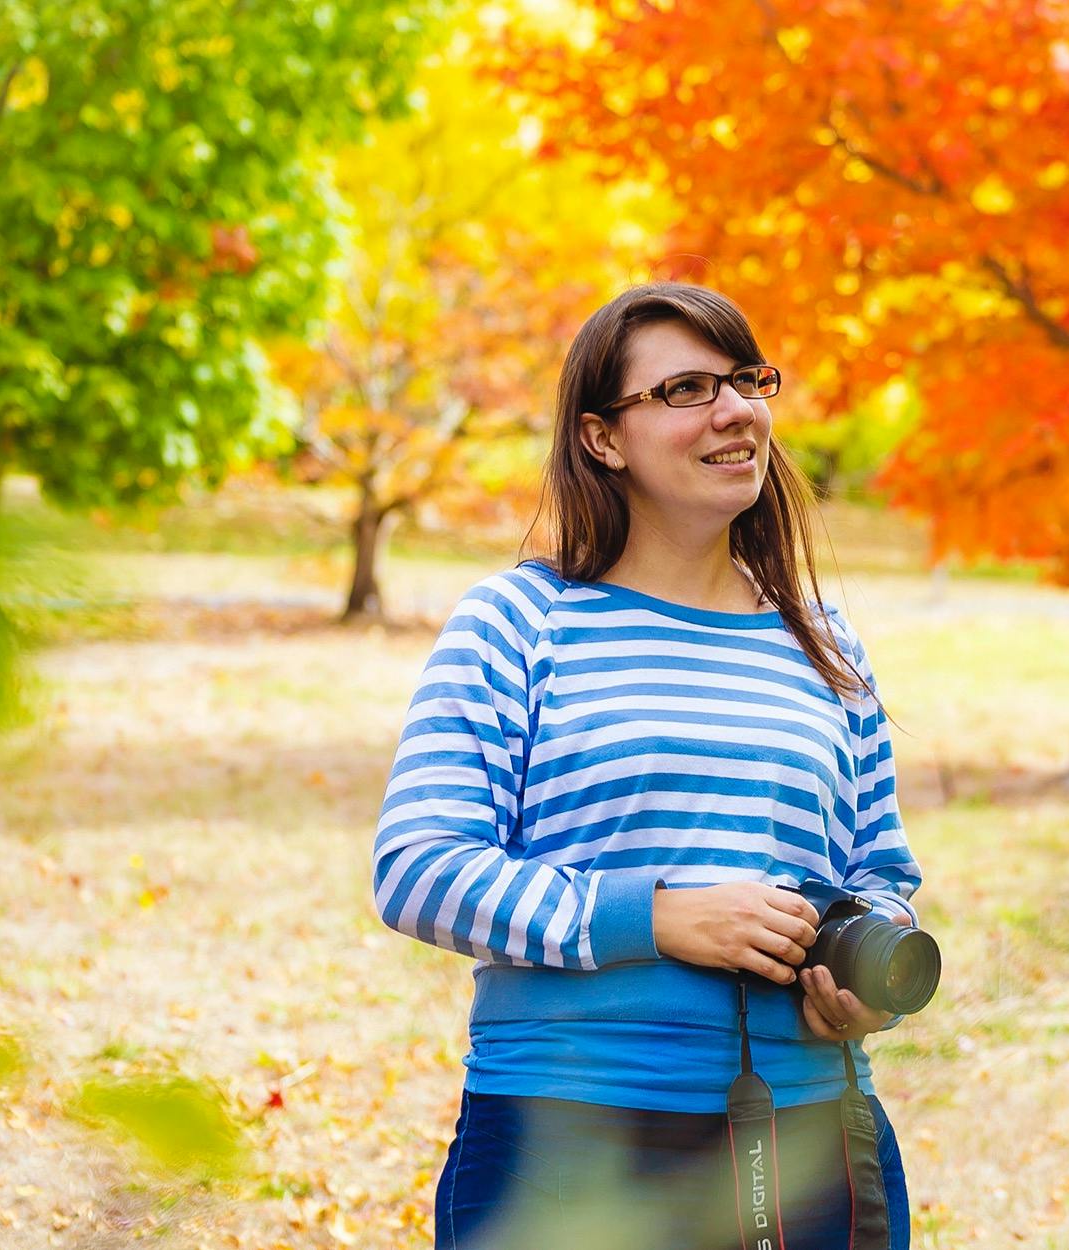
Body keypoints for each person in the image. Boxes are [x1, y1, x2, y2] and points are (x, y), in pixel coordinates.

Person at [371, 282, 923, 1250]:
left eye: (748, 380)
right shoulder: (519, 624)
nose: (735, 409)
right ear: (602, 439)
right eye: (686, 389)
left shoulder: (824, 644)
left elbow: (880, 871)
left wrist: (866, 968)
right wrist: (659, 915)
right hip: (567, 1134)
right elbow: (420, 868)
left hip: (810, 1141)